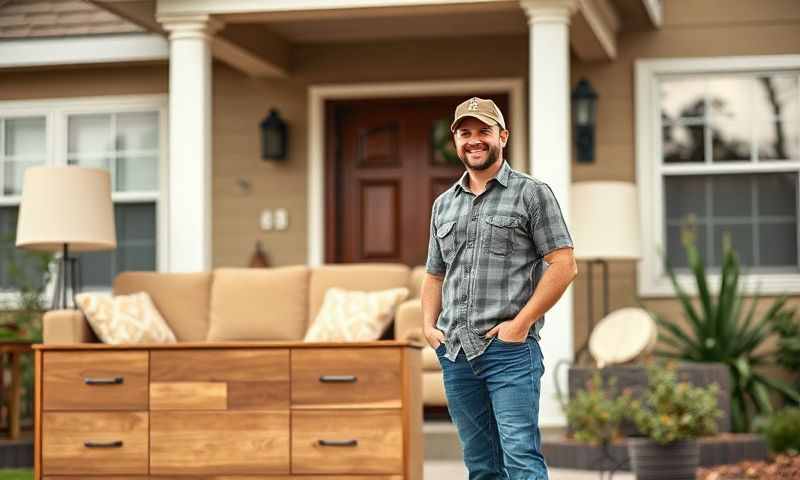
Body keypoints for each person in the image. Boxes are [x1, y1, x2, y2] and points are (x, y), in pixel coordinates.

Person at [422, 96, 578, 480]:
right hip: (456, 353)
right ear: (456, 142)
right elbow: (434, 274)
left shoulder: (531, 193)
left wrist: (521, 324)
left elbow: (564, 265)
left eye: (483, 131)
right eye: (464, 133)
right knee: (480, 464)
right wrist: (429, 327)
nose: (474, 140)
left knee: (520, 458)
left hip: (508, 352)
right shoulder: (444, 205)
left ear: (502, 136)